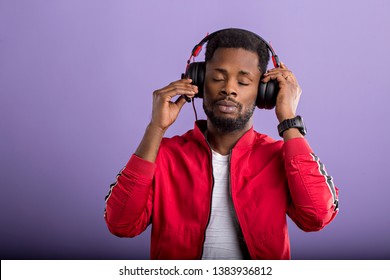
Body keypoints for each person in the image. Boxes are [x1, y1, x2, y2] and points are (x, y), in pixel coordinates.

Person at [104, 28, 339, 260]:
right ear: (197, 81)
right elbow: (121, 224)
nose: (229, 89)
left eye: (244, 82)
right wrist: (156, 128)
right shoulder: (164, 154)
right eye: (217, 78)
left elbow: (317, 217)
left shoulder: (280, 157)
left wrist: (288, 118)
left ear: (264, 93)